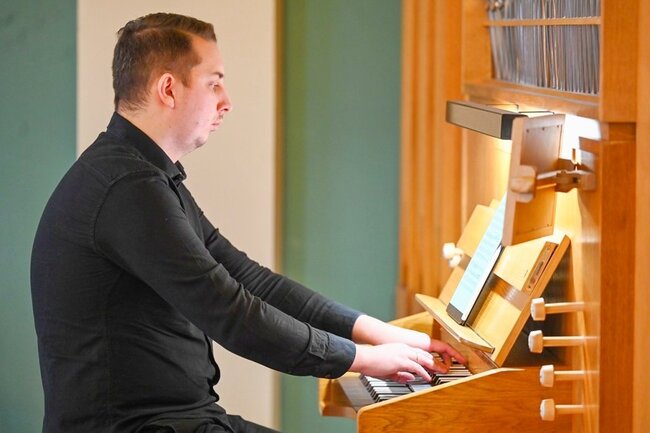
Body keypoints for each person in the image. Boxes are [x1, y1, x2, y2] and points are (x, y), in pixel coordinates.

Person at [30, 12, 466, 433]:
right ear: (169, 89)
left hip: (179, 420)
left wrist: (380, 333)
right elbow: (233, 314)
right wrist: (361, 358)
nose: (226, 101)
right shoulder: (128, 188)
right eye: (214, 83)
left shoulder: (144, 174)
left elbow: (251, 280)